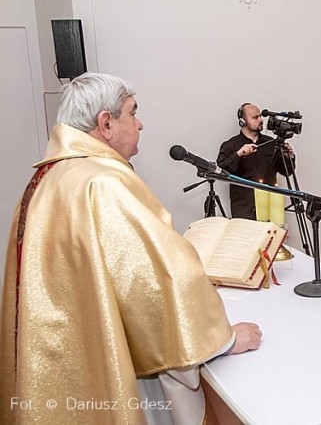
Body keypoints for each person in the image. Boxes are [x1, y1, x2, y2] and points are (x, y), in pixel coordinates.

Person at [0, 73, 262, 424]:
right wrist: (225, 340)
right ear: (106, 123)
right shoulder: (102, 182)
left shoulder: (50, 177)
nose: (140, 124)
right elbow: (156, 283)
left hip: (63, 357)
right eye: (132, 113)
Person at [217, 102, 295, 219]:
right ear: (242, 121)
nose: (260, 120)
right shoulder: (230, 145)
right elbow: (221, 171)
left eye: (260, 116)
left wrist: (290, 157)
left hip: (270, 208)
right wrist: (239, 154)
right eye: (255, 117)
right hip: (244, 210)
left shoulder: (272, 143)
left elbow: (287, 172)